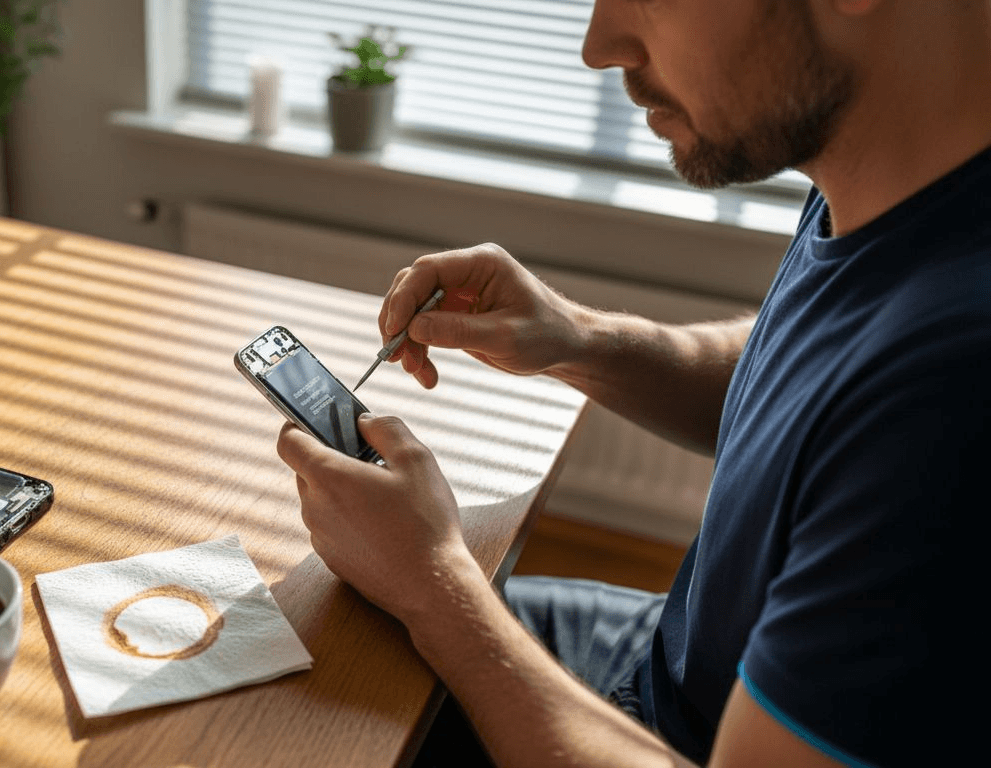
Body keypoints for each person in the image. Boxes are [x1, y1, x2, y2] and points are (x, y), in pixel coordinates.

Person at [275, 1, 990, 766]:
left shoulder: (958, 389)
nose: (599, 45)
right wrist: (579, 340)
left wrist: (435, 586)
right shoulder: (888, 170)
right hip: (663, 665)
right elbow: (821, 387)